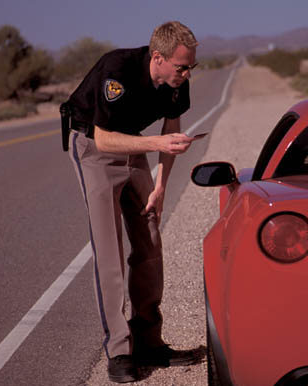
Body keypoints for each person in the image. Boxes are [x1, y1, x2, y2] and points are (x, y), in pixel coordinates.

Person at [61, 21, 199, 383]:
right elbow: (105, 140)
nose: (186, 74)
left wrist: (162, 186)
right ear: (158, 58)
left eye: (191, 67)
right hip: (93, 148)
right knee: (109, 253)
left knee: (150, 243)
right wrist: (156, 146)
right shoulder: (117, 70)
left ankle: (149, 341)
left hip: (134, 146)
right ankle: (119, 352)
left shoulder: (176, 84)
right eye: (181, 67)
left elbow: (172, 128)